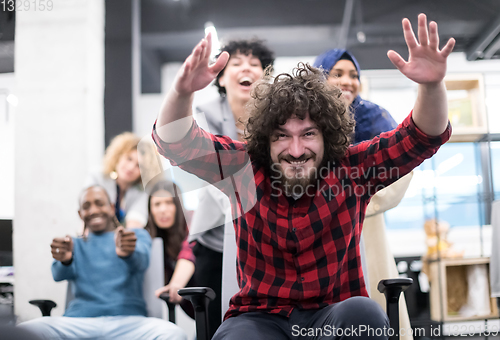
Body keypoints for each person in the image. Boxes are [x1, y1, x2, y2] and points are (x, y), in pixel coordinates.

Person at [152, 13, 454, 340]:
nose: (296, 150)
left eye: (308, 134)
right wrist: (182, 93)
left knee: (364, 313)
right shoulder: (242, 168)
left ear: (328, 135)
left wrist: (432, 85)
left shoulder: (352, 168)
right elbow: (175, 143)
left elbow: (421, 137)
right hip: (259, 319)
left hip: (335, 314)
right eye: (282, 136)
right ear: (265, 140)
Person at [313, 49, 414, 338]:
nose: (348, 81)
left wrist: (357, 200)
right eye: (338, 73)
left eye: (354, 75)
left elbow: (403, 170)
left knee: (372, 305)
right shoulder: (306, 121)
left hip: (366, 227)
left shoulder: (375, 117)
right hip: (317, 227)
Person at [18, 185, 186, 340]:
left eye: (99, 203)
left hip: (129, 323)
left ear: (112, 208)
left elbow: (141, 262)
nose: (93, 210)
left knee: (173, 334)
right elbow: (57, 275)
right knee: (22, 331)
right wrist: (66, 260)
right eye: (86, 206)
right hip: (78, 323)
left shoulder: (134, 236)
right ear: (80, 214)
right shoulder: (73, 244)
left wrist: (128, 253)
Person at [188, 38, 274, 338]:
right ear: (222, 77)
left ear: (266, 76)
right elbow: (203, 167)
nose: (245, 68)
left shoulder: (276, 115)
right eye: (236, 63)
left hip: (265, 236)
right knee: (214, 321)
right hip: (216, 236)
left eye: (254, 64)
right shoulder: (205, 112)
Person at [85, 132, 159, 229]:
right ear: (118, 156)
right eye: (129, 159)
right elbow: (88, 213)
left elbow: (136, 221)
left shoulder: (143, 190)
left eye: (139, 166)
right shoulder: (97, 177)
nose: (131, 167)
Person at [145, 180, 196, 319]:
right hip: (192, 311)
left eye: (168, 202)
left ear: (178, 205)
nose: (163, 209)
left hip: (214, 306)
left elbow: (189, 249)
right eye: (157, 204)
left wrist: (176, 285)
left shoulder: (194, 220)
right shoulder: (152, 239)